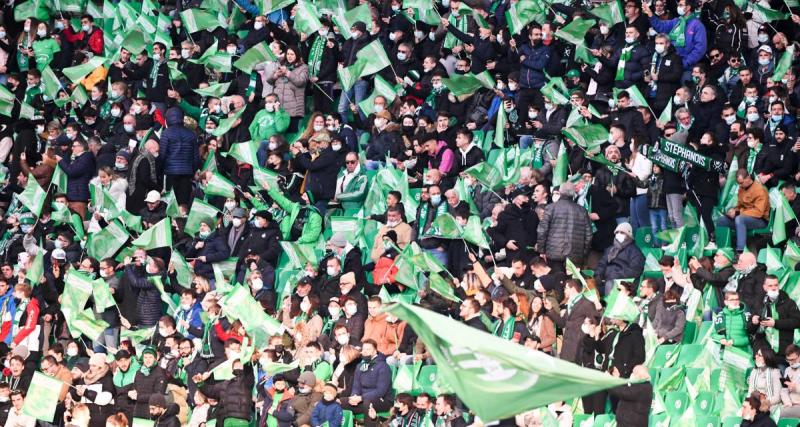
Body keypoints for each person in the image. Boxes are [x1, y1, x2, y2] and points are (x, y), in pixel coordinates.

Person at [536, 182, 593, 271]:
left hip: (553, 253)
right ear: (574, 193)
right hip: (575, 255)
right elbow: (589, 235)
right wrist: (583, 253)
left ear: (560, 192)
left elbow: (542, 231)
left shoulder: (550, 208)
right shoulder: (582, 211)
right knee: (572, 283)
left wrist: (541, 250)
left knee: (555, 281)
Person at [715, 169, 770, 252]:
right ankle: (723, 249)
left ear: (748, 178)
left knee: (739, 219)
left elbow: (758, 212)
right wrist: (733, 211)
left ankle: (741, 251)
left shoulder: (760, 190)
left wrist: (738, 213)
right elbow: (739, 206)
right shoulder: (741, 188)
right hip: (744, 217)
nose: (740, 185)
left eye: (741, 182)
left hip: (760, 220)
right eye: (738, 183)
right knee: (721, 220)